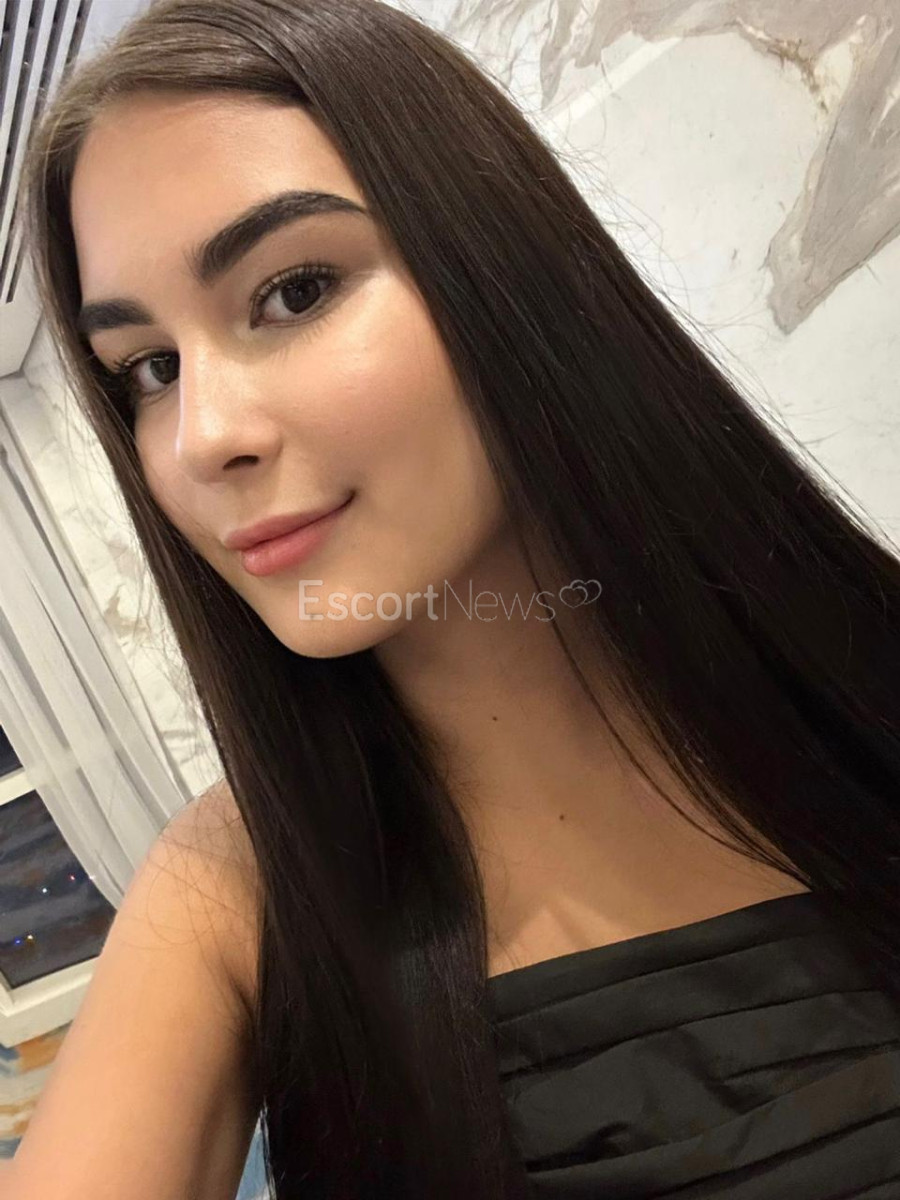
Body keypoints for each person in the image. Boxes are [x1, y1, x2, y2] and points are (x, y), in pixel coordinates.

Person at [8, 0, 900, 1196]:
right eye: (152, 369)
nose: (201, 437)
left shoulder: (861, 667)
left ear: (505, 269)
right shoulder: (237, 889)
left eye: (295, 290)